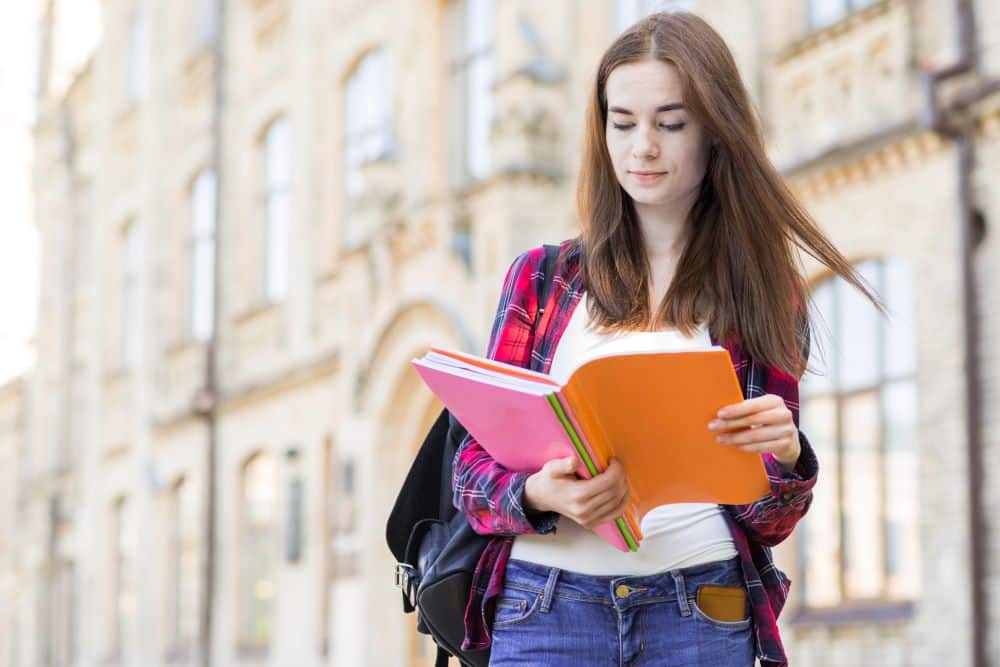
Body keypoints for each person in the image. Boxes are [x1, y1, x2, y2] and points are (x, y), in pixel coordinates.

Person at [451, 11, 883, 667]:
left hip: (700, 610)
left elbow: (767, 523)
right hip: (545, 608)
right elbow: (469, 473)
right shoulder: (541, 279)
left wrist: (789, 457)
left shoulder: (765, 290)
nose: (642, 146)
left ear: (716, 131)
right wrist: (543, 492)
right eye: (621, 122)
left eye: (670, 123)